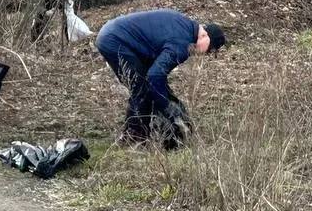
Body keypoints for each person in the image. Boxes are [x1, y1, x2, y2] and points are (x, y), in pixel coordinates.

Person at [95, 8, 226, 144]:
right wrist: (168, 108)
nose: (208, 54)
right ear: (205, 35)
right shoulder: (182, 44)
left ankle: (137, 134)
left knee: (146, 86)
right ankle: (133, 139)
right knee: (142, 89)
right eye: (211, 49)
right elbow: (155, 76)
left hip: (115, 33)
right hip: (114, 39)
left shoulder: (186, 26)